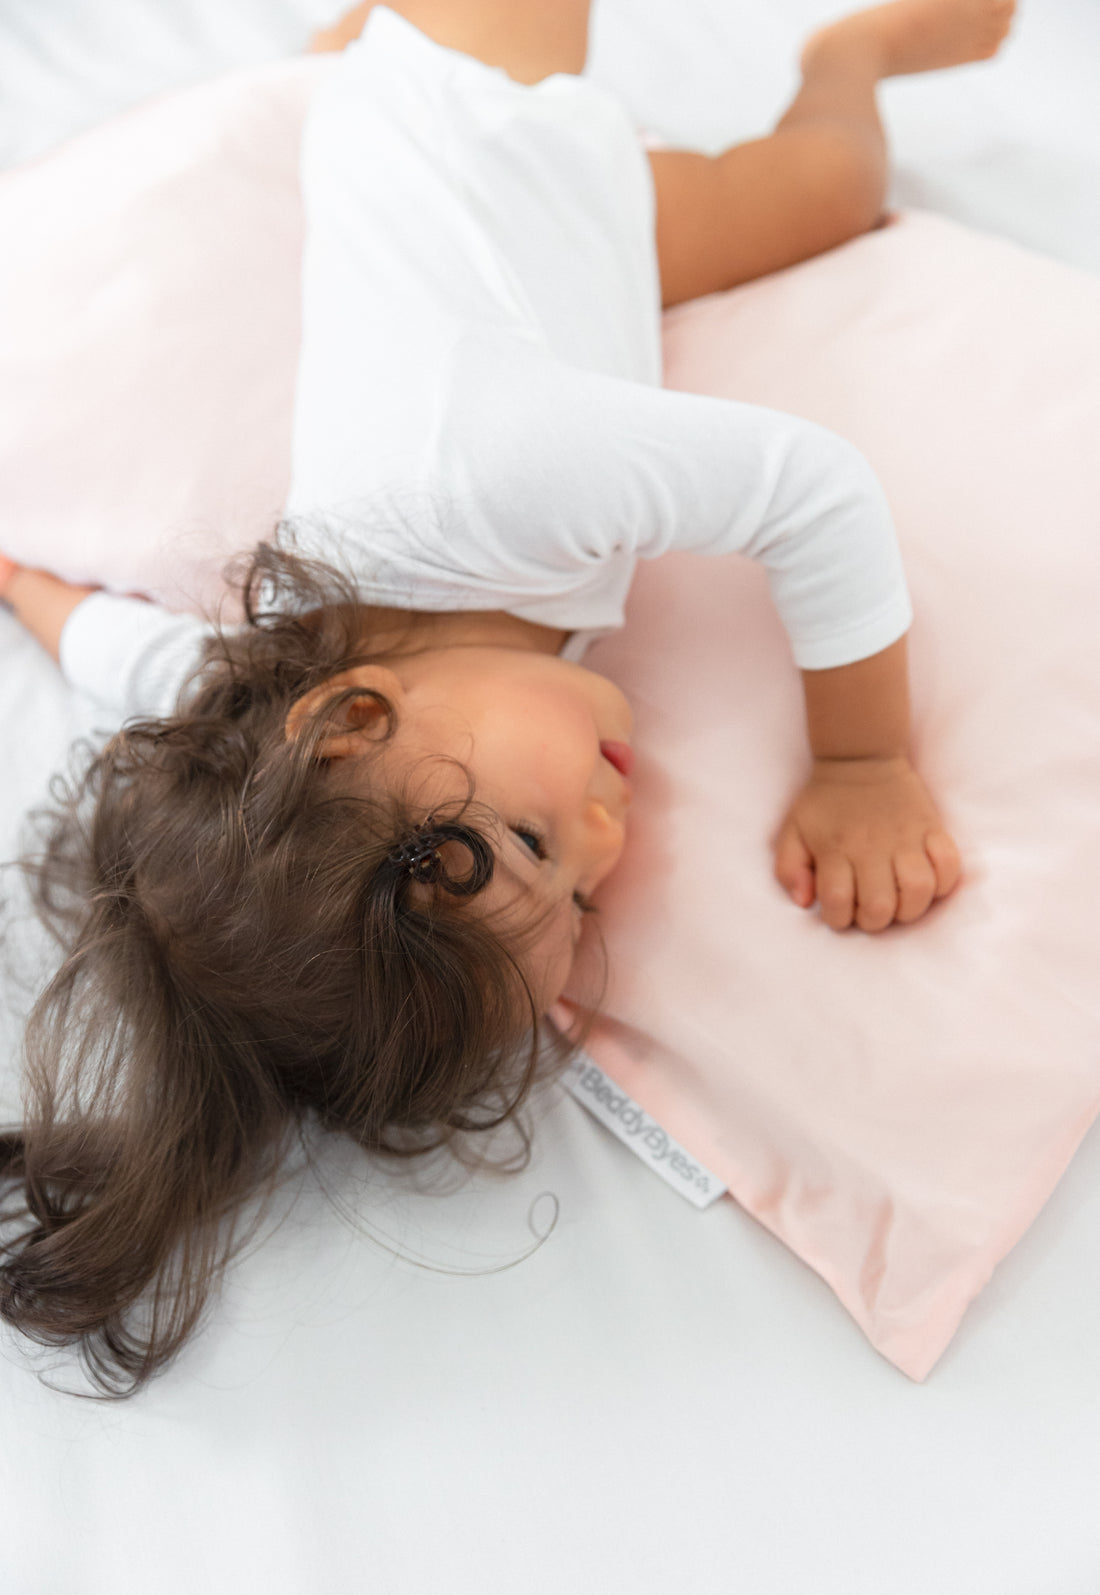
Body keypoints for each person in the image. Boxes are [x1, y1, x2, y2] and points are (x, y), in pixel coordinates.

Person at [0, 0, 1011, 1394]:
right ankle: (853, 55)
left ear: (353, 720)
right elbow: (128, 658)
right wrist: (30, 587)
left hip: (463, 109)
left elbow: (814, 489)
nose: (609, 842)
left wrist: (863, 764)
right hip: (588, 237)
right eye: (583, 899)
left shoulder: (486, 475)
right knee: (837, 187)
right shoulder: (290, 708)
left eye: (537, 845)